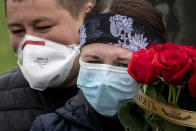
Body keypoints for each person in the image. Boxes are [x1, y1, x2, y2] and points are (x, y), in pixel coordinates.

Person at [30, 0, 166, 130]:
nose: (104, 80)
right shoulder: (51, 127)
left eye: (123, 64)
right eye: (94, 61)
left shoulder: (181, 123)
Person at [0, 0, 96, 130]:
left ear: (87, 18)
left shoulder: (125, 95)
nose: (30, 43)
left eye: (43, 27)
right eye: (17, 31)